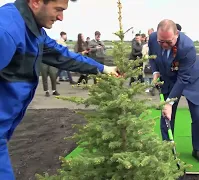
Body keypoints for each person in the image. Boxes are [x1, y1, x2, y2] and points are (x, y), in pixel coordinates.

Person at [0, 0, 117, 179]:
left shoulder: (34, 31)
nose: (61, 17)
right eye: (58, 9)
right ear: (36, 2)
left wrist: (102, 69)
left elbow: (62, 55)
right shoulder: (6, 30)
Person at [148, 19, 199, 165]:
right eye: (161, 41)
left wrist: (169, 102)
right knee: (167, 116)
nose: (164, 45)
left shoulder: (187, 46)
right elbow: (152, 56)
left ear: (177, 34)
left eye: (168, 42)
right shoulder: (152, 38)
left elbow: (183, 78)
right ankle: (167, 149)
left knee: (198, 115)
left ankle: (198, 149)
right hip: (169, 78)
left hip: (191, 80)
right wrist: (156, 72)